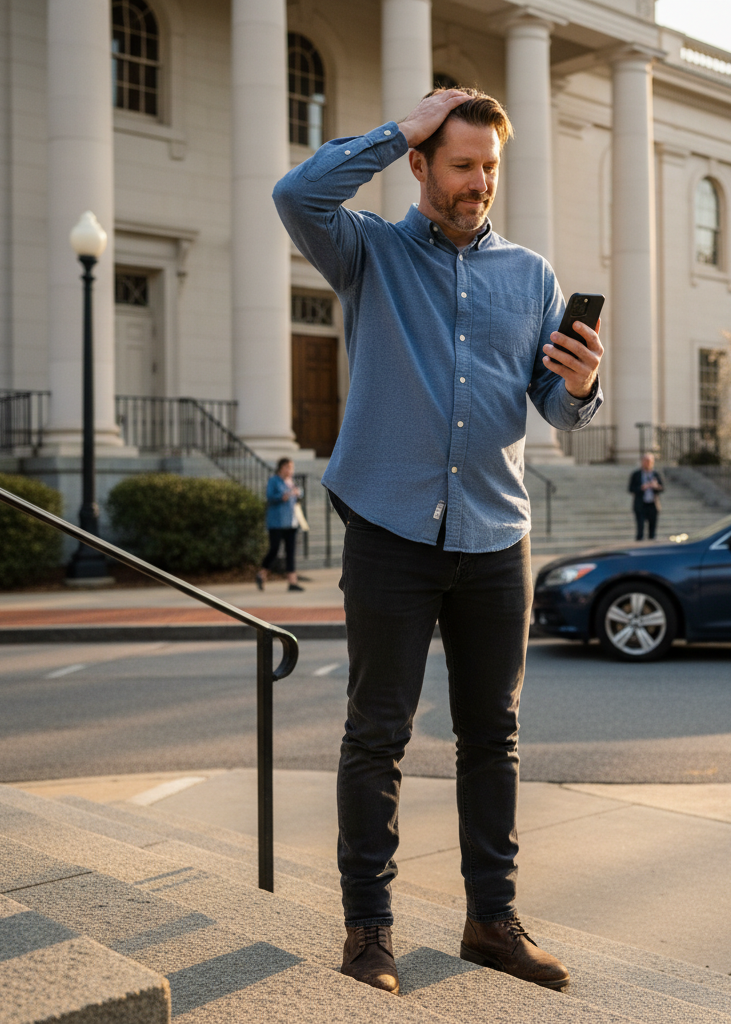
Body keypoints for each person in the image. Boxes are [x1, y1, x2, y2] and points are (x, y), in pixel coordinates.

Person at [273, 87, 604, 995]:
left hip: (497, 536)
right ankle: (367, 932)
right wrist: (397, 129)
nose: (478, 184)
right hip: (389, 527)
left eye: (490, 167)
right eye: (461, 165)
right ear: (421, 163)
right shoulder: (368, 250)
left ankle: (491, 922)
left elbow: (554, 410)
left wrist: (580, 387)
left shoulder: (530, 276)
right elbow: (295, 194)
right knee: (376, 735)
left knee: (492, 735)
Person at [256, 457, 304, 592]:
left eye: (291, 467)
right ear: (281, 468)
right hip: (276, 522)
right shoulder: (274, 480)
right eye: (288, 467)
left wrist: (298, 493)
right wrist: (282, 496)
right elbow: (270, 496)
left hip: (291, 522)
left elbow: (299, 494)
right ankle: (262, 574)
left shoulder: (291, 482)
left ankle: (292, 582)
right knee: (274, 549)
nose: (290, 470)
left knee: (290, 552)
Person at [629, 452, 664, 540]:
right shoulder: (636, 474)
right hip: (641, 505)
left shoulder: (656, 474)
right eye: (646, 461)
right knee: (640, 529)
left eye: (649, 461)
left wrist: (655, 486)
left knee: (652, 530)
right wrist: (642, 487)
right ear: (642, 461)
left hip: (653, 505)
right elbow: (631, 489)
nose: (647, 463)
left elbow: (661, 488)